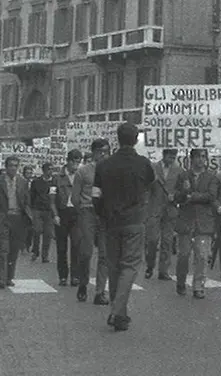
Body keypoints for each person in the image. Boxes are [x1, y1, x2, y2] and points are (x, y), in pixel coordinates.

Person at [93, 123, 155, 331]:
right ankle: (117, 311)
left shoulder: (103, 165)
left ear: (116, 139)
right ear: (136, 139)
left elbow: (95, 197)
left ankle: (120, 314)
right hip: (134, 220)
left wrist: (104, 214)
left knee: (114, 267)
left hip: (111, 221)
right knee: (129, 266)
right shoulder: (143, 164)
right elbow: (149, 187)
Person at [174, 149, 220, 299]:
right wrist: (183, 192)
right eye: (197, 157)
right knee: (184, 255)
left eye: (203, 157)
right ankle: (181, 282)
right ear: (191, 159)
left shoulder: (211, 177)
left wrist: (191, 195)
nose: (201, 160)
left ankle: (198, 286)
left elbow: (211, 196)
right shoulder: (183, 175)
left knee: (202, 255)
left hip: (204, 221)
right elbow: (176, 197)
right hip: (186, 220)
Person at [73, 139, 111, 305]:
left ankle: (100, 291)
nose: (103, 154)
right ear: (94, 152)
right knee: (86, 251)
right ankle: (83, 283)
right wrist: (82, 209)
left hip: (105, 213)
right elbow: (75, 197)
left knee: (105, 254)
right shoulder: (83, 172)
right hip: (87, 211)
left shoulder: (112, 171)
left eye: (106, 151)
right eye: (100, 151)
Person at [0, 156, 33, 288]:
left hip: (18, 219)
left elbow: (26, 201)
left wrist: (29, 217)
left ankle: (9, 277)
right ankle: (2, 278)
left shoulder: (23, 182)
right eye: (11, 165)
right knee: (3, 249)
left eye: (15, 166)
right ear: (6, 167)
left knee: (14, 250)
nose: (13, 168)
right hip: (3, 218)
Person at [146, 149, 182, 280]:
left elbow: (182, 189)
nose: (172, 160)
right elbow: (146, 187)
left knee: (167, 241)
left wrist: (176, 196)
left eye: (174, 158)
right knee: (152, 240)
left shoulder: (179, 170)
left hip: (170, 209)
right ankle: (150, 265)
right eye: (170, 157)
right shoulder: (153, 168)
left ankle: (163, 271)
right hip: (154, 208)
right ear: (164, 156)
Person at [51, 151, 83, 287]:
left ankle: (75, 276)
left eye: (78, 162)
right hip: (62, 213)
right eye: (74, 162)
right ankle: (63, 276)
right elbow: (51, 199)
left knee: (76, 245)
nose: (76, 165)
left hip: (76, 213)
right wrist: (55, 215)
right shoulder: (57, 177)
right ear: (67, 161)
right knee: (61, 247)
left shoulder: (81, 176)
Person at [29, 163, 57, 263]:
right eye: (49, 169)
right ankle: (35, 251)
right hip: (37, 209)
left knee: (48, 233)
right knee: (36, 230)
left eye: (52, 170)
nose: (51, 172)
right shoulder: (36, 182)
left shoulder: (54, 182)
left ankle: (45, 256)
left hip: (49, 210)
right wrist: (32, 208)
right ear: (44, 170)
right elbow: (31, 195)